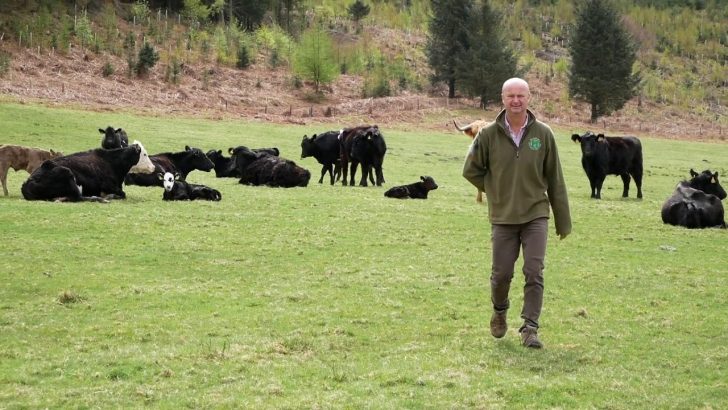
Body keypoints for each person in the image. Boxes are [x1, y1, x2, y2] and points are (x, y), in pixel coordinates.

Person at [462, 77, 571, 349]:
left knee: (534, 271)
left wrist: (562, 220)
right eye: (510, 96)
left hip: (536, 214)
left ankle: (530, 328)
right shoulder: (487, 135)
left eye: (521, 96)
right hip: (503, 217)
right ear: (502, 99)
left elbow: (555, 178)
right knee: (501, 274)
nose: (516, 101)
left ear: (529, 98)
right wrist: (494, 190)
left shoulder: (543, 134)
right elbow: (470, 170)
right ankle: (499, 310)